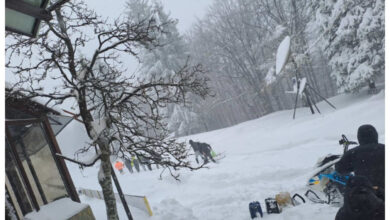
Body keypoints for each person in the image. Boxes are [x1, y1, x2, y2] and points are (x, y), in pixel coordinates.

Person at [335, 124, 384, 189]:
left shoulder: (353, 153)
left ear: (359, 137)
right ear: (375, 135)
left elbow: (340, 169)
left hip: (365, 192)